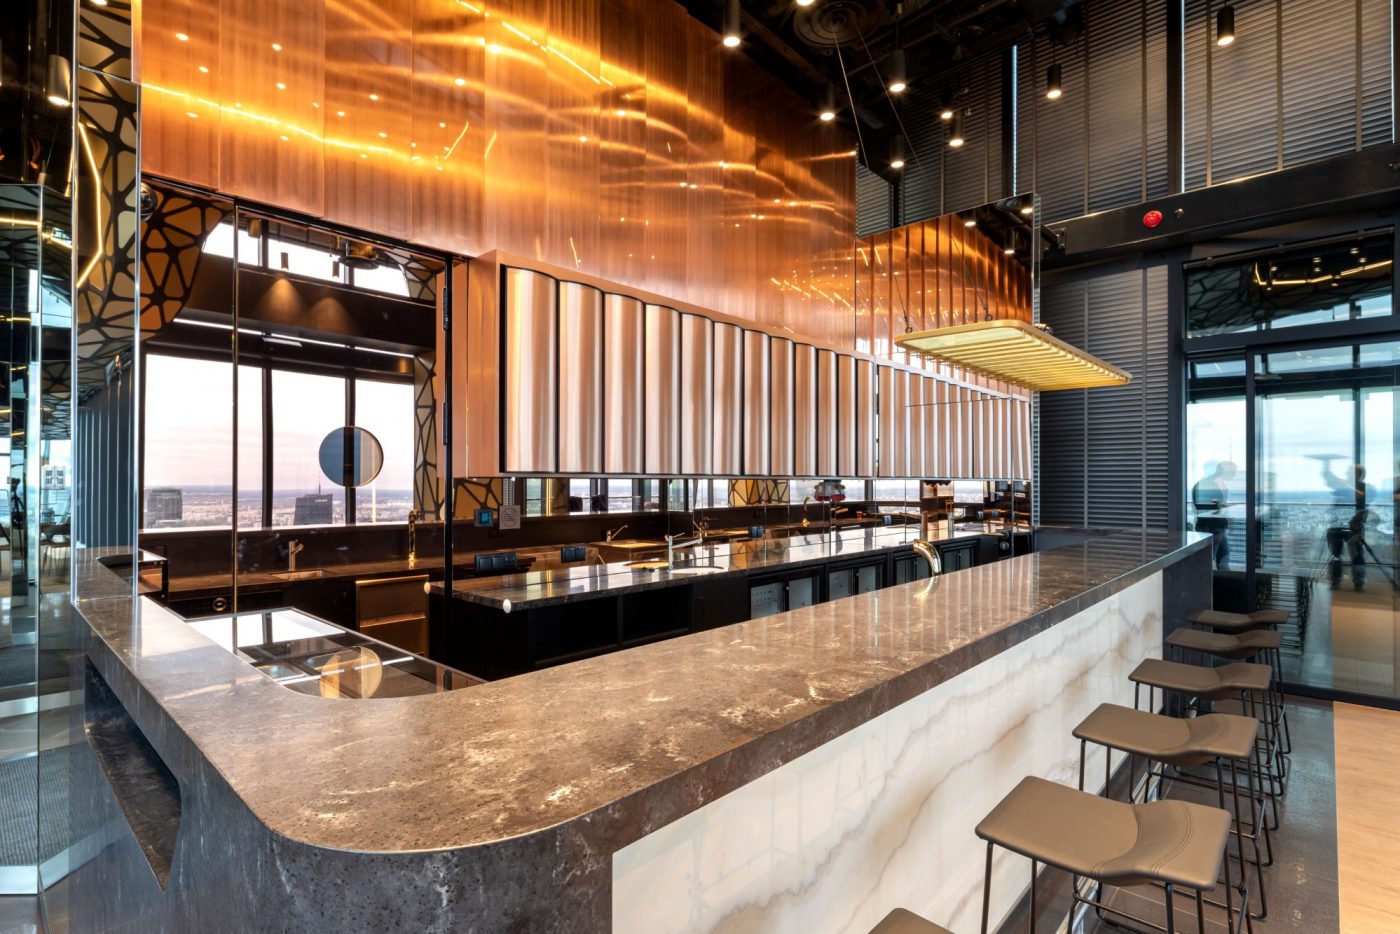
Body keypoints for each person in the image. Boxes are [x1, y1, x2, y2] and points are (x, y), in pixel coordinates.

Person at [1323, 462, 1375, 591]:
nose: (1347, 474)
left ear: (1357, 474)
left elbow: (1361, 497)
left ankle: (1358, 582)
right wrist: (1326, 465)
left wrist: (1344, 483)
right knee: (1335, 554)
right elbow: (1328, 478)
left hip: (1353, 525)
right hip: (1337, 523)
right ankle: (1336, 581)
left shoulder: (1366, 488)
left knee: (1356, 554)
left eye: (1350, 472)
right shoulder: (1344, 486)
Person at [1192, 460, 1236, 569]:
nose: (1235, 474)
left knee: (1223, 560)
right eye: (1233, 471)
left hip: (1219, 527)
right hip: (1211, 528)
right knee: (1208, 561)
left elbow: (1217, 505)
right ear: (1223, 471)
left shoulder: (1218, 484)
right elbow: (1204, 508)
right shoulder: (1206, 485)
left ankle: (1223, 584)